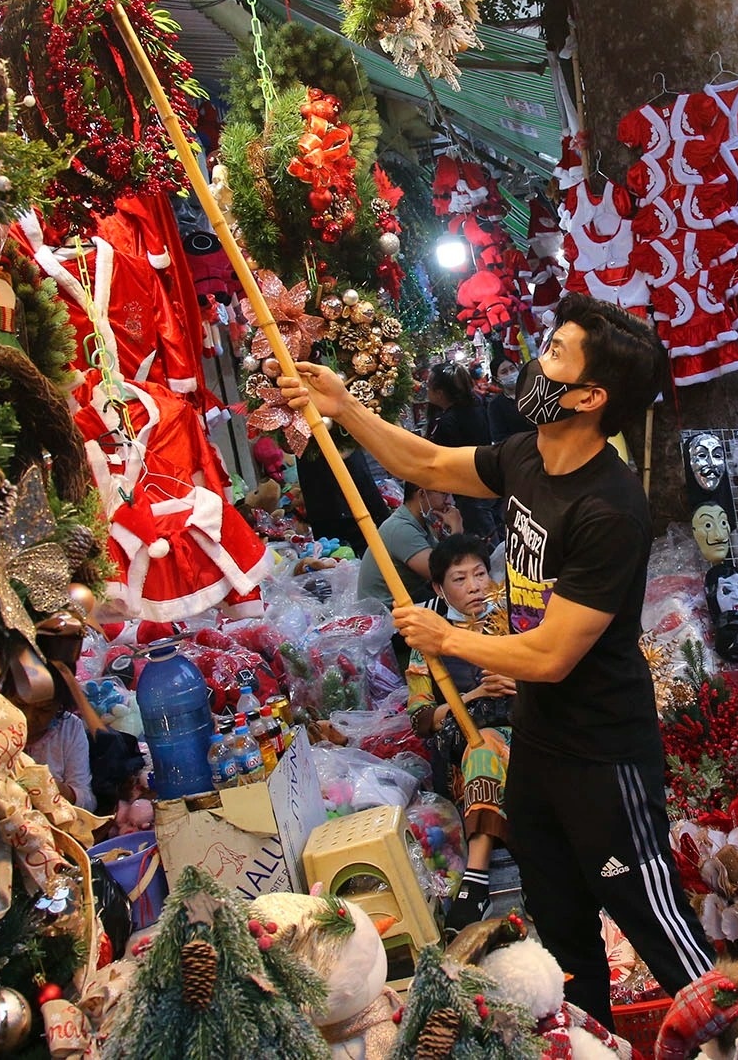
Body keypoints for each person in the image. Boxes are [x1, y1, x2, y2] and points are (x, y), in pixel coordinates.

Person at [279, 292, 715, 1025]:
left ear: (589, 395)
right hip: (538, 745)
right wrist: (344, 407)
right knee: (561, 925)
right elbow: (422, 459)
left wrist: (446, 637)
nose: (534, 361)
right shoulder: (525, 456)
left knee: (654, 920)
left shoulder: (609, 507)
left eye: (554, 354)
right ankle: (585, 1038)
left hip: (604, 752)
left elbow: (548, 653)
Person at [407, 533, 518, 933]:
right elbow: (420, 718)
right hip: (472, 742)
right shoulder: (429, 641)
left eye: (479, 574)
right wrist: (471, 696)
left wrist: (520, 681)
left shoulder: (515, 620)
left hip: (529, 725)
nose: (474, 586)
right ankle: (476, 880)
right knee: (483, 747)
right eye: (459, 579)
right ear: (438, 588)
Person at [354, 480, 460, 609]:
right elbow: (444, 574)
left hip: (409, 597)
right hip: (387, 613)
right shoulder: (401, 528)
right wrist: (457, 530)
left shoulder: (423, 520)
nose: (449, 501)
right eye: (444, 494)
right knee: (460, 598)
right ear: (422, 494)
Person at [426, 364, 502, 541]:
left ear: (440, 392)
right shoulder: (475, 406)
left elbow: (445, 460)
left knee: (485, 543)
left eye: (428, 386)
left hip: (471, 491)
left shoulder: (448, 421)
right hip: (488, 482)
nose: (426, 390)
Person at [18, 664, 94, 810]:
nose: (28, 717)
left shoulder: (69, 729)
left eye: (43, 709)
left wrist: (60, 790)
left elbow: (88, 802)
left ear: (59, 707)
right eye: (20, 704)